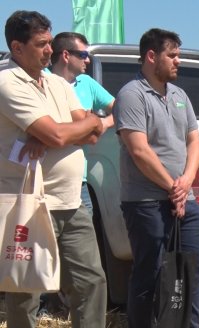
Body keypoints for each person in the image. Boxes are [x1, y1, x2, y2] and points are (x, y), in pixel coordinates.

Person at [0, 10, 107, 328]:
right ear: (17, 48)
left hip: (72, 202)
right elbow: (65, 132)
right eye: (41, 44)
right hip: (29, 205)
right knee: (25, 291)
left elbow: (94, 128)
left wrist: (52, 136)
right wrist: (64, 132)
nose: (50, 50)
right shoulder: (7, 83)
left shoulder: (57, 83)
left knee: (91, 282)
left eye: (50, 42)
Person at [113, 28, 199, 328]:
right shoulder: (131, 95)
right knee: (150, 275)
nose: (179, 61)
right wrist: (172, 187)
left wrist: (186, 182)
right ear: (151, 56)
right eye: (173, 55)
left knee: (195, 269)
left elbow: (194, 142)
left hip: (185, 201)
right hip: (146, 202)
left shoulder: (180, 95)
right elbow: (139, 150)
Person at [50, 31, 115, 216]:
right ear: (65, 55)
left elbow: (123, 109)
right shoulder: (42, 80)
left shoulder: (87, 83)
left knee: (85, 243)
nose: (87, 61)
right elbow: (52, 132)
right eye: (83, 55)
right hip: (44, 182)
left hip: (80, 183)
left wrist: (102, 123)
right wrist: (86, 126)